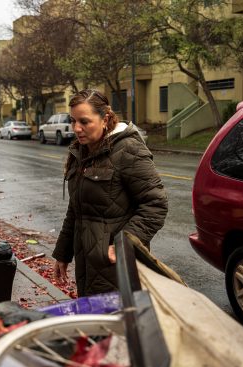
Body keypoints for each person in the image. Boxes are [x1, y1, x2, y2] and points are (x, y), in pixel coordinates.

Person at [52, 89, 168, 297]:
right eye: (73, 121)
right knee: (97, 322)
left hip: (117, 265)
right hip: (86, 263)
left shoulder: (128, 150)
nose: (77, 128)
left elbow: (155, 204)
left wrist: (124, 244)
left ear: (105, 119)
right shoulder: (83, 152)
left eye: (85, 122)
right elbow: (76, 208)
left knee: (118, 325)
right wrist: (63, 253)